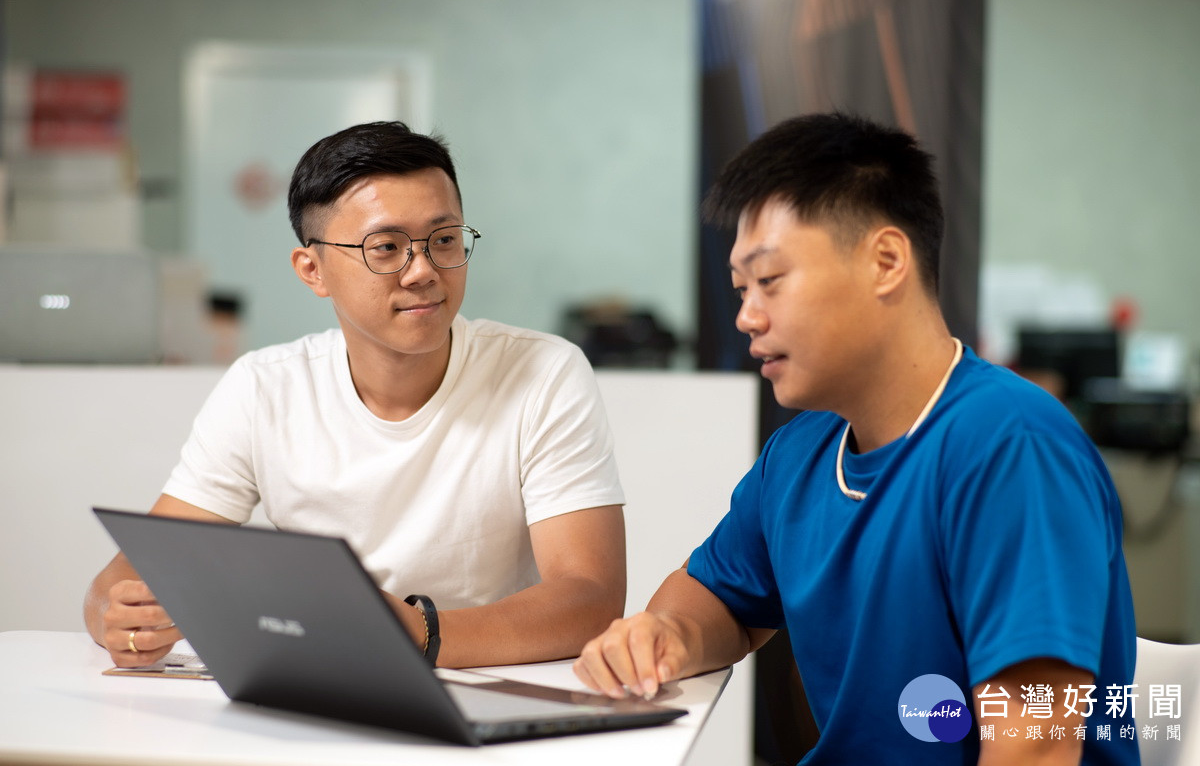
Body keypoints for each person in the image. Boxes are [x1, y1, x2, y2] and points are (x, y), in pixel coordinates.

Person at [573, 112, 1138, 765]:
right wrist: (665, 634)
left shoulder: (1011, 447)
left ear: (885, 261)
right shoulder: (801, 452)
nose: (747, 317)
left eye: (770, 281)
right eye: (740, 289)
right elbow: (720, 599)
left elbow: (1036, 744)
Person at [86, 121, 626, 670]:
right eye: (386, 248)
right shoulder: (264, 388)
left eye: (444, 240)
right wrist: (118, 616)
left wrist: (416, 635)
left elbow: (591, 597)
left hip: (489, 687)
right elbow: (127, 575)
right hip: (320, 683)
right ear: (312, 270)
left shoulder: (541, 373)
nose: (423, 271)